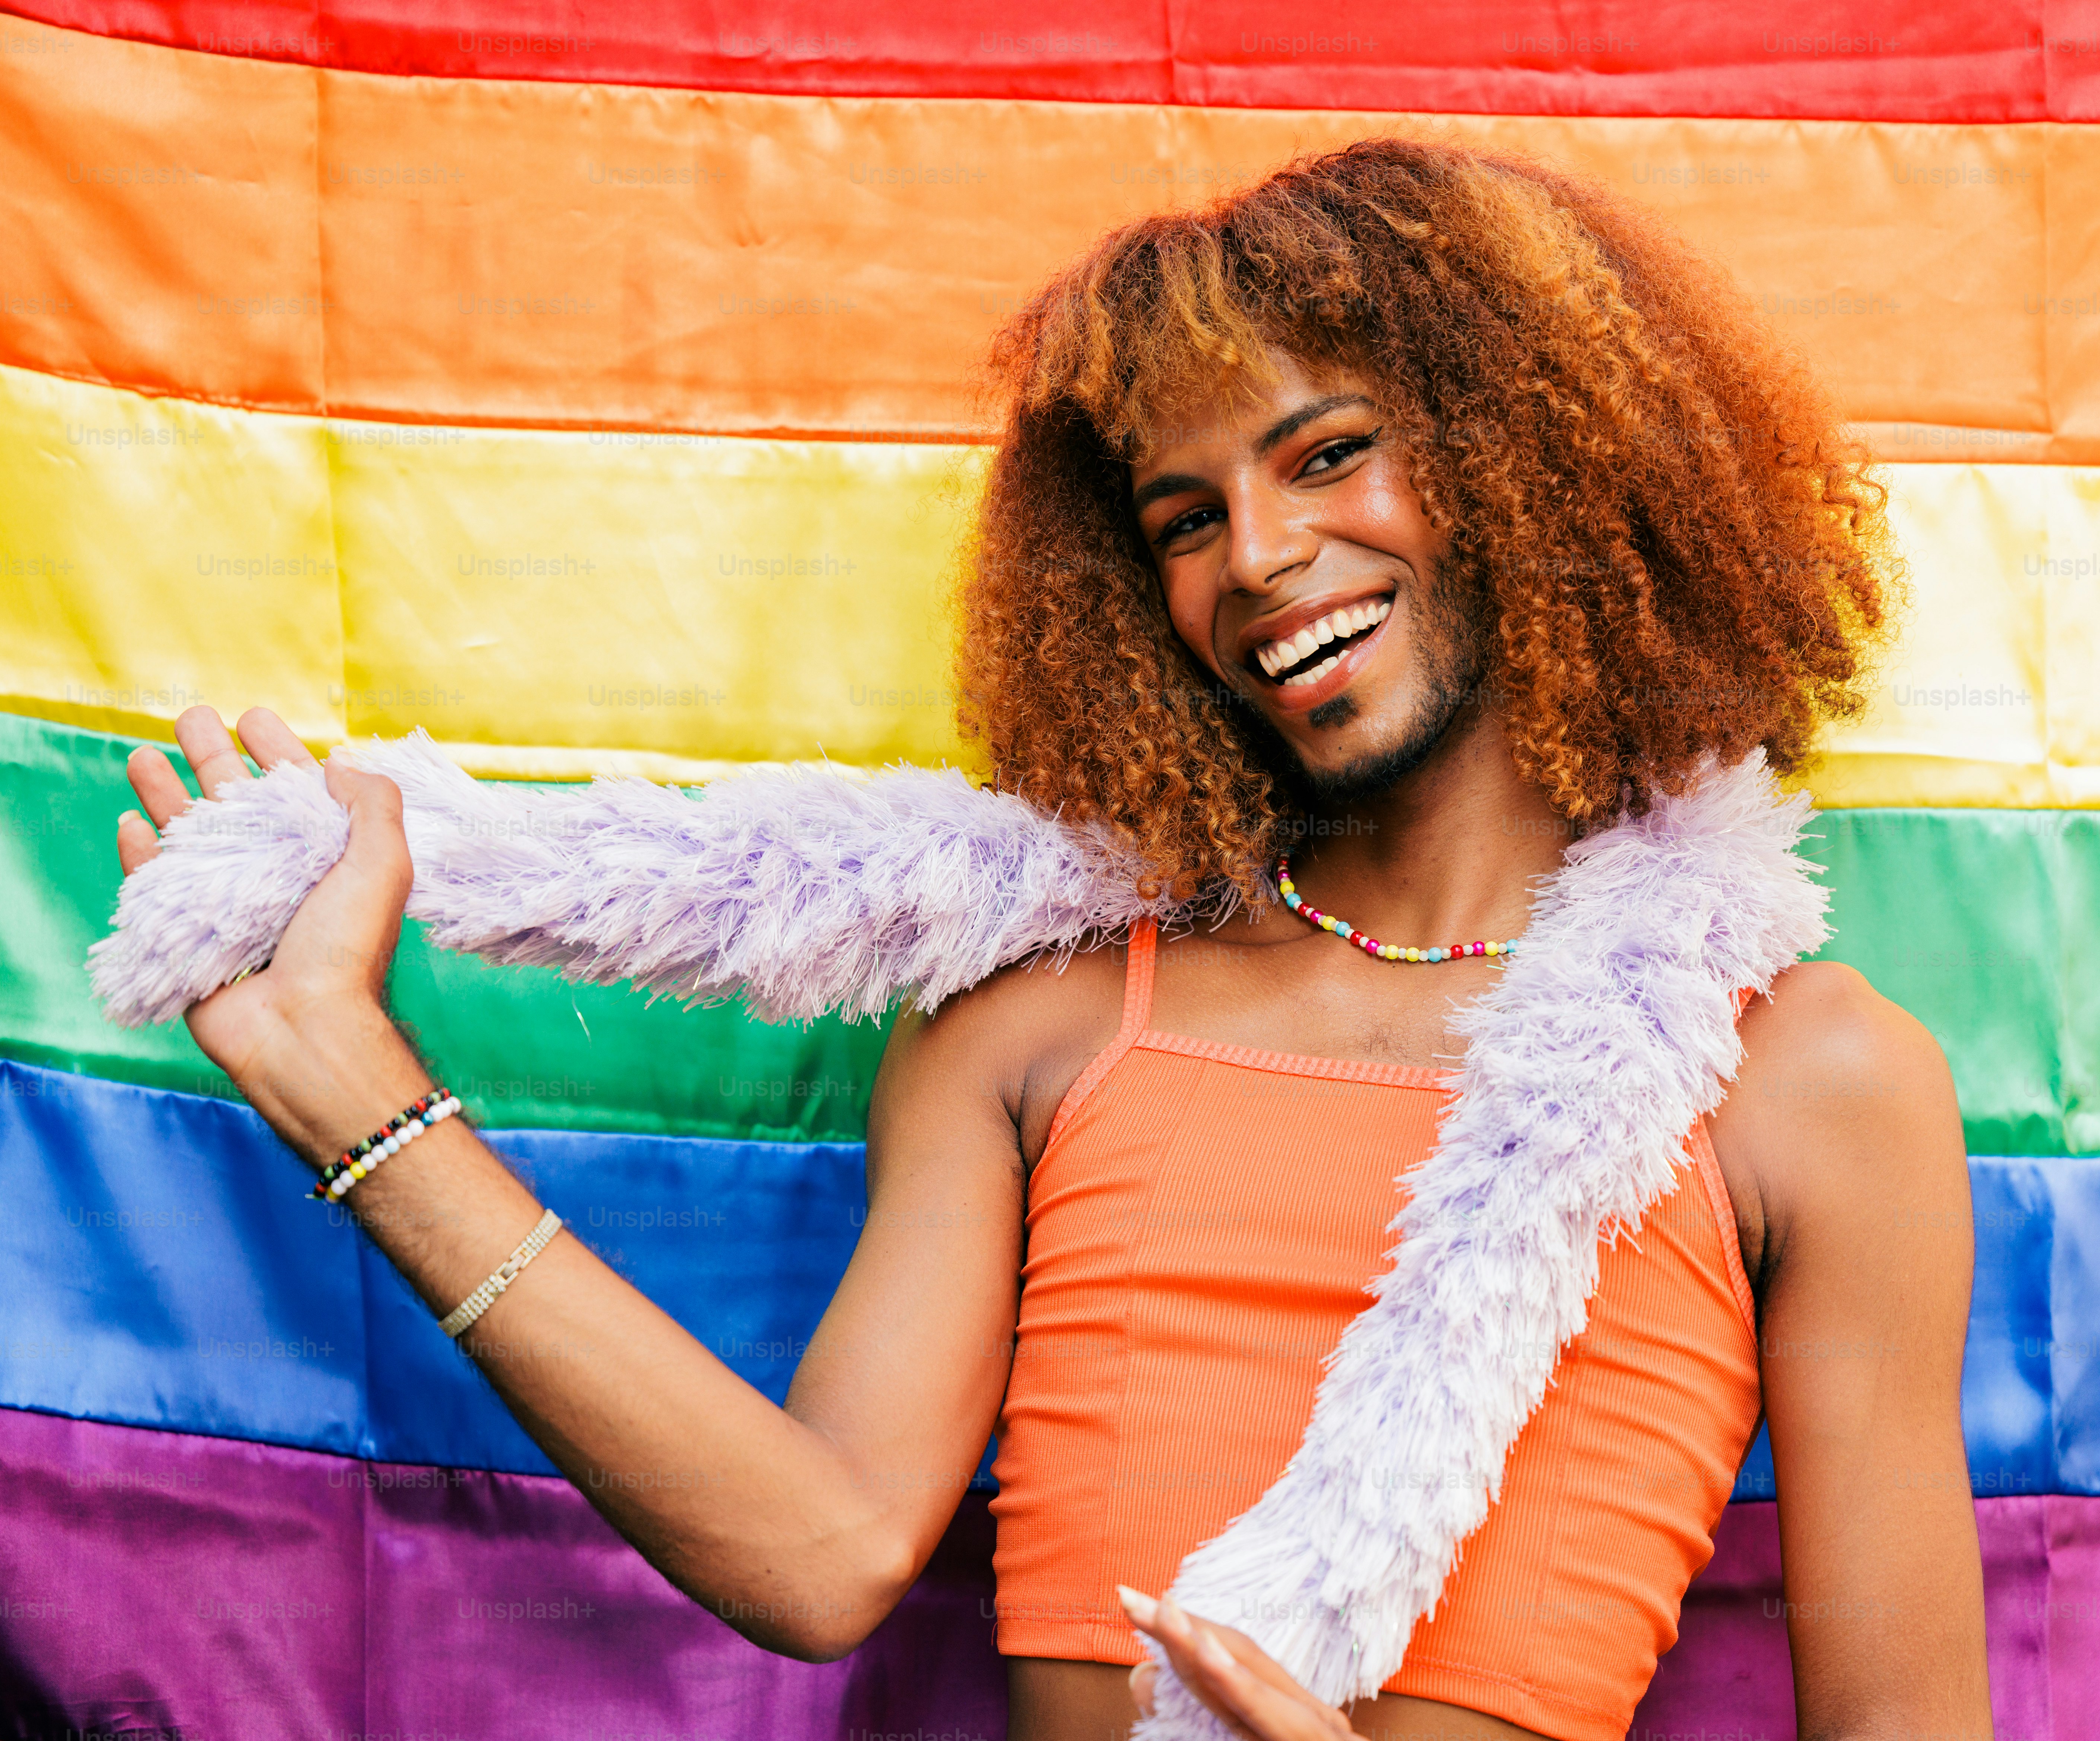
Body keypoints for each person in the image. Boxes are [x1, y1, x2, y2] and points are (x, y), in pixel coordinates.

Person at [114, 139, 1989, 1741]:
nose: (1255, 557)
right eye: (1186, 516)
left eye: (1328, 455)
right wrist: (362, 1095)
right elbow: (820, 1550)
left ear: (1530, 467)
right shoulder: (1041, 1022)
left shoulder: (1809, 1079)